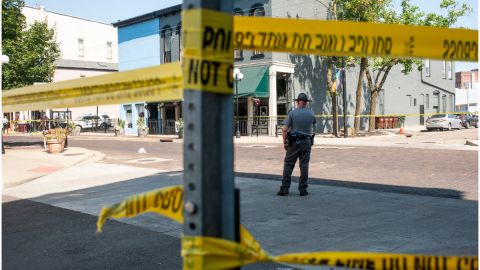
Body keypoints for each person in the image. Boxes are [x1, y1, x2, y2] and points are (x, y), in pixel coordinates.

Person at [277, 93, 316, 196]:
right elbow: (313, 125)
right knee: (304, 165)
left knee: (289, 164)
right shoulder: (311, 113)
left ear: (298, 102)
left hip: (294, 142)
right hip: (307, 141)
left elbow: (284, 129)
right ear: (306, 102)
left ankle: (284, 188)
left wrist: (285, 141)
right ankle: (303, 189)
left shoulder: (292, 113)